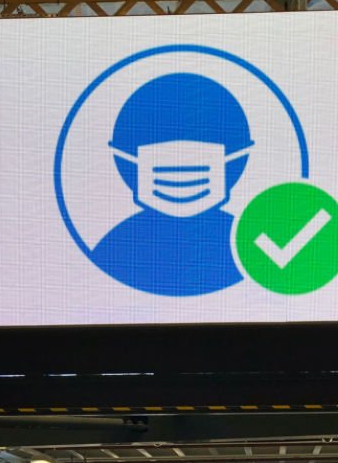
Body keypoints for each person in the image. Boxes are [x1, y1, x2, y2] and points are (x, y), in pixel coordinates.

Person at [91, 73, 254, 296]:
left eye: (204, 141)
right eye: (158, 140)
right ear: (125, 158)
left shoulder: (248, 247)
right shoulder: (116, 248)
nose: (181, 160)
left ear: (237, 156)